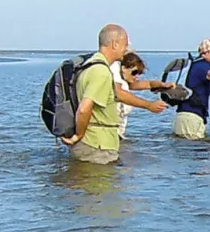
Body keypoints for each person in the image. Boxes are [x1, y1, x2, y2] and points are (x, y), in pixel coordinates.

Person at [62, 25, 128, 164]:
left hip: (92, 144)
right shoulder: (101, 72)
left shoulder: (88, 66)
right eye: (125, 44)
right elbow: (84, 108)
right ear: (115, 44)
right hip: (97, 147)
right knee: (100, 183)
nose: (126, 49)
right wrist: (78, 135)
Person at [172, 39, 210, 140]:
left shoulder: (196, 65)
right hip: (191, 117)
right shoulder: (202, 66)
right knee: (195, 151)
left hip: (187, 116)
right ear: (209, 52)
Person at [112, 51, 170, 140]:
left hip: (118, 133)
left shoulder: (125, 82)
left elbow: (148, 84)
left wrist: (162, 85)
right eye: (134, 72)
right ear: (123, 68)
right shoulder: (117, 83)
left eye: (139, 73)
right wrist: (149, 105)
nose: (136, 76)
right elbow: (120, 94)